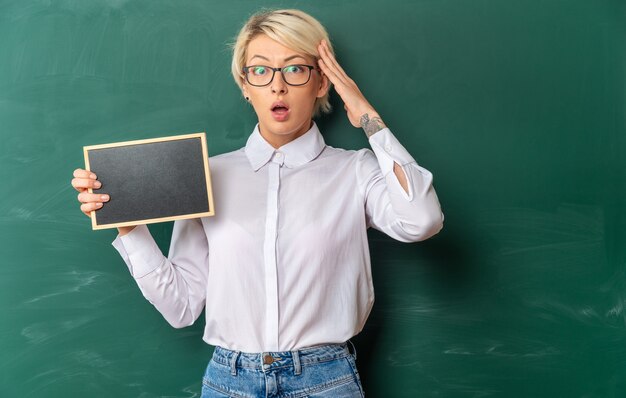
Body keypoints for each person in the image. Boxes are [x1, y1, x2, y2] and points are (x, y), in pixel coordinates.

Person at [71, 8, 443, 398]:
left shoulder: (355, 171)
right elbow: (180, 307)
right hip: (229, 381)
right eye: (261, 71)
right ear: (245, 85)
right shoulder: (206, 176)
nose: (277, 87)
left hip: (325, 380)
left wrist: (367, 116)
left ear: (321, 82)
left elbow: (422, 220)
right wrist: (127, 226)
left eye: (296, 69)